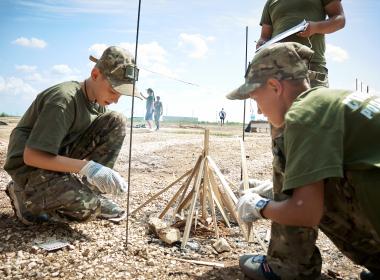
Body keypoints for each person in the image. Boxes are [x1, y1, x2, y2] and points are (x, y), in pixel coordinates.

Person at [227, 42, 380, 280]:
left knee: (294, 177)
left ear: (274, 87)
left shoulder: (302, 114)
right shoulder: (329, 102)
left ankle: (286, 268)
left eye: (256, 98)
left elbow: (306, 212)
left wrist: (259, 206)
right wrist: (275, 189)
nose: (258, 109)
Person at [254, 1, 346, 278]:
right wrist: (261, 46)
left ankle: (290, 265)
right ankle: (290, 261)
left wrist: (314, 28)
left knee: (314, 162)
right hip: (277, 73)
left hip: (310, 70)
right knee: (284, 160)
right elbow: (265, 35)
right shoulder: (271, 2)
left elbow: (339, 19)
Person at [3, 46, 139, 225]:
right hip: (30, 167)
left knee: (116, 120)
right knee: (89, 209)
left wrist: (96, 174)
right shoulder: (63, 100)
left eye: (121, 94)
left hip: (55, 158)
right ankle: (25, 195)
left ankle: (90, 193)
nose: (116, 99)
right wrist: (89, 168)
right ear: (95, 74)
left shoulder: (98, 102)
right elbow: (32, 156)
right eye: (113, 91)